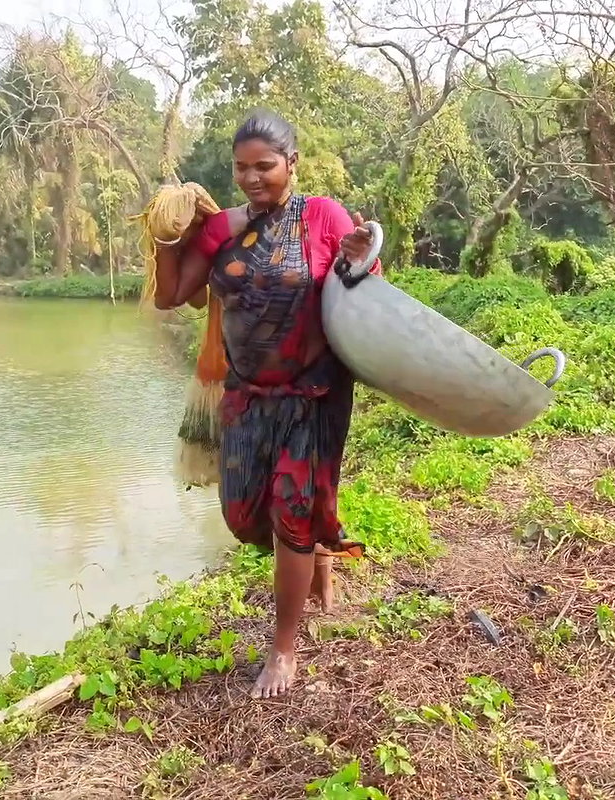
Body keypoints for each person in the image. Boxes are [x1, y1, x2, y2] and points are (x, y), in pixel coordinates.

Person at [152, 108, 382, 699]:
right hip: (245, 396)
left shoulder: (323, 215)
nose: (253, 178)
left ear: (292, 163)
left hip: (313, 393)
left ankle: (283, 650)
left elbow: (362, 286)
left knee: (290, 511)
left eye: (265, 166)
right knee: (242, 516)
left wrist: (360, 257)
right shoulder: (223, 228)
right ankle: (318, 556)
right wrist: (166, 234)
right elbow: (172, 295)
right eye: (241, 168)